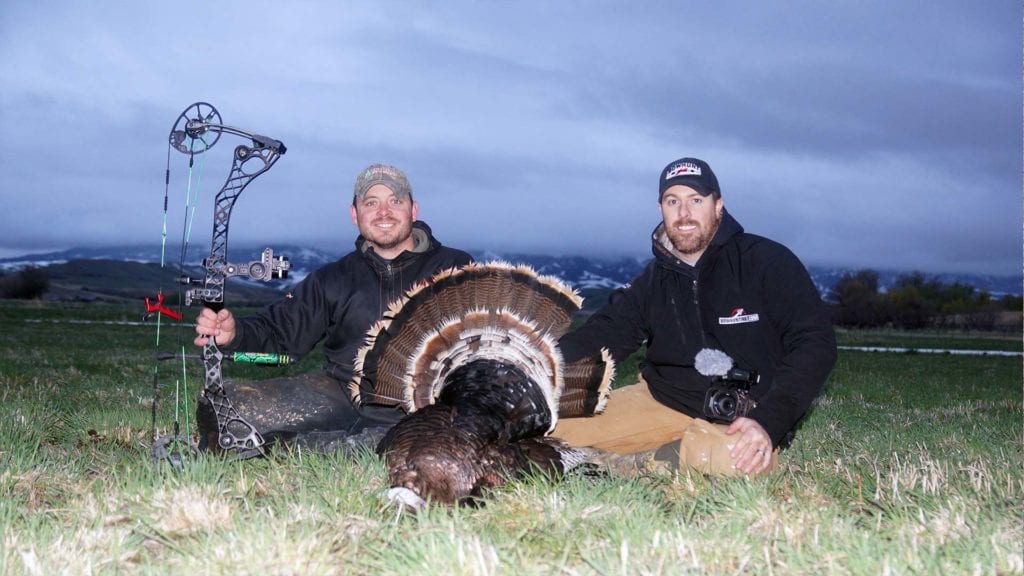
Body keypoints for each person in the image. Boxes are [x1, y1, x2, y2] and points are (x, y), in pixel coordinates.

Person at [552, 157, 836, 476]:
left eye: (696, 200)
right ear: (661, 208)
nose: (684, 214)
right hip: (662, 401)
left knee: (733, 462)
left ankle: (634, 464)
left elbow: (816, 343)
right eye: (673, 201)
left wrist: (769, 422)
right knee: (546, 425)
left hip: (745, 414)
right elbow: (602, 335)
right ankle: (652, 456)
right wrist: (532, 363)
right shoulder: (654, 279)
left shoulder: (767, 262)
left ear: (718, 205)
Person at [193, 163, 472, 451]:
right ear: (355, 215)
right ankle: (337, 443)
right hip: (345, 397)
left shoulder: (456, 269)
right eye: (371, 203)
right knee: (226, 407)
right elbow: (280, 332)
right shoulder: (333, 278)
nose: (384, 212)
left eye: (395, 201)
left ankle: (328, 446)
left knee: (460, 431)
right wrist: (234, 332)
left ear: (413, 210)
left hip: (430, 406)